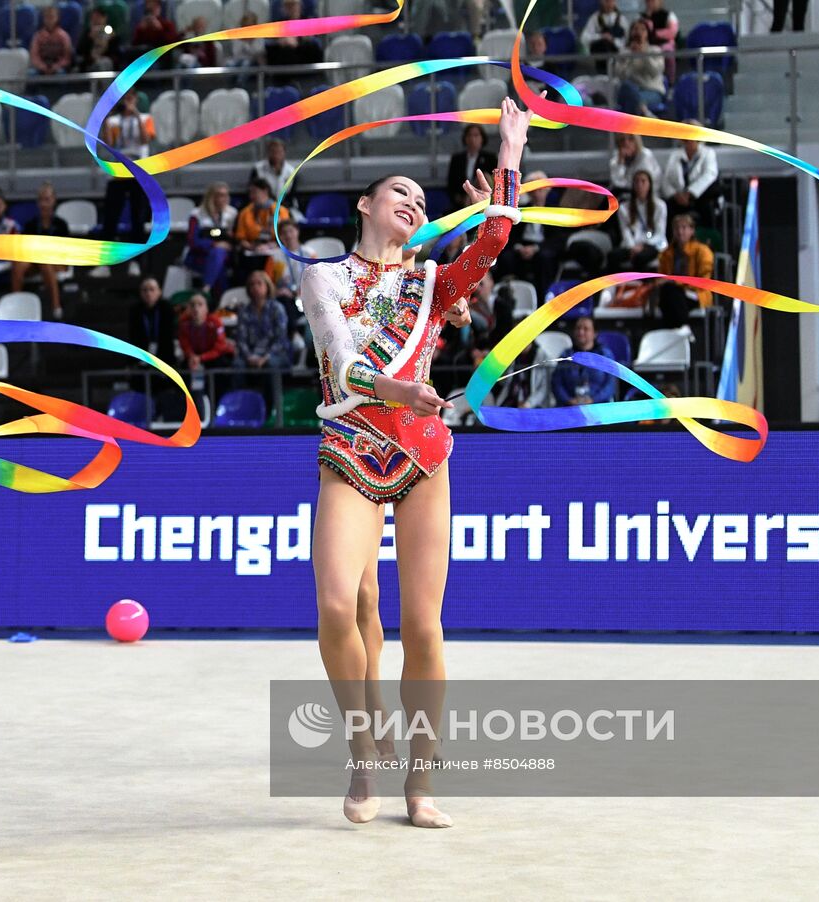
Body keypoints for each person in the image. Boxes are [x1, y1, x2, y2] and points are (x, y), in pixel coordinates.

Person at [301, 98, 528, 829]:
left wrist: (509, 157)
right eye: (401, 190)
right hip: (352, 451)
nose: (413, 201)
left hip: (424, 459)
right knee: (340, 605)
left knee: (422, 625)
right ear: (366, 204)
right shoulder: (322, 278)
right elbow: (340, 358)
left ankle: (419, 784)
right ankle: (364, 747)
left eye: (421, 199)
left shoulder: (433, 284)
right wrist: (395, 387)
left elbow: (491, 245)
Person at [99, 93, 155, 255]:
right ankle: (106, 260)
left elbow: (145, 140)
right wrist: (105, 120)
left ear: (137, 100)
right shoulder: (113, 121)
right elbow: (109, 143)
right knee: (111, 217)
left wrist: (136, 114)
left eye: (131, 98)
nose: (128, 102)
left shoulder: (145, 118)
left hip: (138, 174)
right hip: (118, 173)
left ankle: (137, 260)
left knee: (138, 217)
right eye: (125, 99)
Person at [10, 182, 71, 319]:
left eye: (47, 200)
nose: (44, 204)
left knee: (45, 262)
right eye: (41, 200)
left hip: (56, 262)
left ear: (54, 201)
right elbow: (24, 248)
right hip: (34, 260)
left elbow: (65, 251)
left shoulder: (61, 225)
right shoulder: (31, 224)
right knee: (17, 265)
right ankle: (16, 305)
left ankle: (56, 306)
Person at [495, 169, 557, 298]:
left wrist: (535, 248)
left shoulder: (554, 211)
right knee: (506, 258)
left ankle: (543, 297)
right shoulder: (521, 211)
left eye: (540, 190)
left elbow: (557, 239)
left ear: (547, 190)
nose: (537, 194)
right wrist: (519, 248)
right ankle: (509, 296)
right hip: (523, 245)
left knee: (544, 258)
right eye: (534, 190)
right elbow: (511, 235)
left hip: (542, 246)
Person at [655, 212, 713, 327]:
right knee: (668, 294)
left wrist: (675, 282)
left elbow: (703, 282)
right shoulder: (666, 254)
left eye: (684, 228)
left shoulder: (702, 251)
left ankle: (680, 327)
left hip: (696, 293)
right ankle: (681, 329)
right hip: (672, 293)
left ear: (692, 231)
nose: (680, 232)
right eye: (677, 228)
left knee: (671, 293)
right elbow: (661, 277)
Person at [659, 121, 719, 228]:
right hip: (678, 198)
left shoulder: (708, 153)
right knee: (666, 207)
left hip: (700, 198)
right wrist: (675, 195)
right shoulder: (675, 155)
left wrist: (690, 193)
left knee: (707, 206)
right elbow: (666, 179)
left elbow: (710, 175)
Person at [185, 182, 238, 297]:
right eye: (219, 195)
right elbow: (192, 241)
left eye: (225, 195)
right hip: (200, 256)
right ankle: (219, 303)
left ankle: (205, 291)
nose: (223, 199)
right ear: (211, 197)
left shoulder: (233, 213)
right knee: (219, 263)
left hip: (226, 257)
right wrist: (214, 244)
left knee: (218, 256)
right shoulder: (196, 214)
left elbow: (236, 239)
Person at [609, 169, 667, 272]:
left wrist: (643, 245)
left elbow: (660, 233)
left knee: (641, 258)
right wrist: (632, 248)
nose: (640, 185)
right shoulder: (624, 207)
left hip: (652, 244)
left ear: (650, 184)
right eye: (637, 182)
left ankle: (642, 285)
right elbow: (625, 231)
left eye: (643, 181)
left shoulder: (660, 206)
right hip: (631, 245)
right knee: (612, 256)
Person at [551, 315, 616, 405]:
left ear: (595, 333)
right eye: (578, 328)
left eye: (586, 329)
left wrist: (593, 400)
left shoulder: (604, 355)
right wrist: (568, 400)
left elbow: (610, 384)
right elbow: (557, 383)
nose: (581, 332)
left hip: (598, 406)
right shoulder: (565, 355)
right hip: (569, 406)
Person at [235, 269, 290, 370]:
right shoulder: (244, 311)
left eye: (259, 284)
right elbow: (241, 340)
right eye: (252, 284)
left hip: (275, 353)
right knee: (237, 364)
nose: (255, 287)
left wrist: (265, 358)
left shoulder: (277, 308)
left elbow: (280, 339)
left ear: (267, 286)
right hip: (252, 354)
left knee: (271, 364)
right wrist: (250, 357)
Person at [614, 20, 665, 117]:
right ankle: (645, 114)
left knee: (630, 103)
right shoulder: (624, 53)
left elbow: (654, 72)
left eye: (642, 29)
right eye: (635, 29)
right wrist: (630, 57)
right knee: (627, 88)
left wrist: (643, 54)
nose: (638, 32)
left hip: (651, 90)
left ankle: (631, 129)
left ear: (648, 33)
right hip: (629, 90)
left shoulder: (655, 50)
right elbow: (620, 75)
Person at [177, 292, 236, 372]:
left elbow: (220, 347)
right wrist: (192, 356)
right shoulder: (183, 322)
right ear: (188, 309)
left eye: (200, 305)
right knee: (182, 369)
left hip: (214, 355)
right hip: (194, 356)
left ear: (206, 308)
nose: (196, 308)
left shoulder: (216, 322)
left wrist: (201, 358)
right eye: (192, 305)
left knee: (221, 365)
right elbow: (184, 345)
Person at [446, 124, 498, 209]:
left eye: (476, 135)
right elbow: (451, 184)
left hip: (483, 202)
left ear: (482, 138)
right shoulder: (457, 159)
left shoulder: (490, 158)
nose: (472, 139)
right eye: (469, 135)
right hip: (461, 204)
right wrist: (460, 198)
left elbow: (493, 181)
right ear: (465, 138)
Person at [129, 277, 176, 363]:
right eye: (145, 290)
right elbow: (134, 335)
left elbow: (169, 335)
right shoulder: (135, 310)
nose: (148, 293)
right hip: (143, 352)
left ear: (159, 292)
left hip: (164, 351)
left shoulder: (167, 308)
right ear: (140, 293)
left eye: (152, 289)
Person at [250, 139, 300, 216]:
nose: (276, 155)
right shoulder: (258, 169)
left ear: (284, 153)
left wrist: (279, 208)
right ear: (268, 153)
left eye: (279, 152)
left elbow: (291, 195)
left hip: (285, 207)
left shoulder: (291, 171)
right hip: (262, 206)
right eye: (273, 152)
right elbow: (254, 191)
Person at [608, 133, 662, 201]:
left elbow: (640, 184)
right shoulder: (616, 161)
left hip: (648, 196)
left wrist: (623, 183)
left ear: (637, 141)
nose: (626, 143)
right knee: (612, 194)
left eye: (630, 139)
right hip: (626, 195)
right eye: (622, 140)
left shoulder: (645, 156)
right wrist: (621, 162)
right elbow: (616, 183)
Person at [640, 0, 680, 81]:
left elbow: (672, 32)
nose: (650, 3)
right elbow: (640, 31)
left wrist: (655, 33)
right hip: (647, 44)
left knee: (668, 52)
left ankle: (670, 80)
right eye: (648, 1)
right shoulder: (642, 17)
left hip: (664, 44)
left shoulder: (669, 15)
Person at [30, 5, 74, 75]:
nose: (49, 20)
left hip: (58, 68)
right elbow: (34, 56)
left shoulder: (64, 36)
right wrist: (42, 67)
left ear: (57, 18)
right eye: (47, 17)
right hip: (41, 68)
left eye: (52, 17)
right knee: (31, 74)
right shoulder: (37, 36)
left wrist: (56, 67)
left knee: (61, 74)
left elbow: (67, 57)